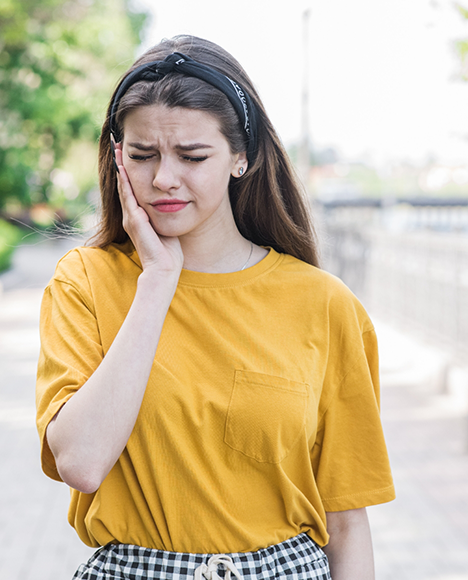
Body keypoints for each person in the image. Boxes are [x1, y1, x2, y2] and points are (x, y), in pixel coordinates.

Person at [35, 35, 395, 580]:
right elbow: (81, 462)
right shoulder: (84, 282)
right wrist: (157, 279)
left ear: (241, 157)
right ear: (115, 158)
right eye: (142, 154)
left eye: (192, 156)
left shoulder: (324, 305)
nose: (163, 179)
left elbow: (346, 522)